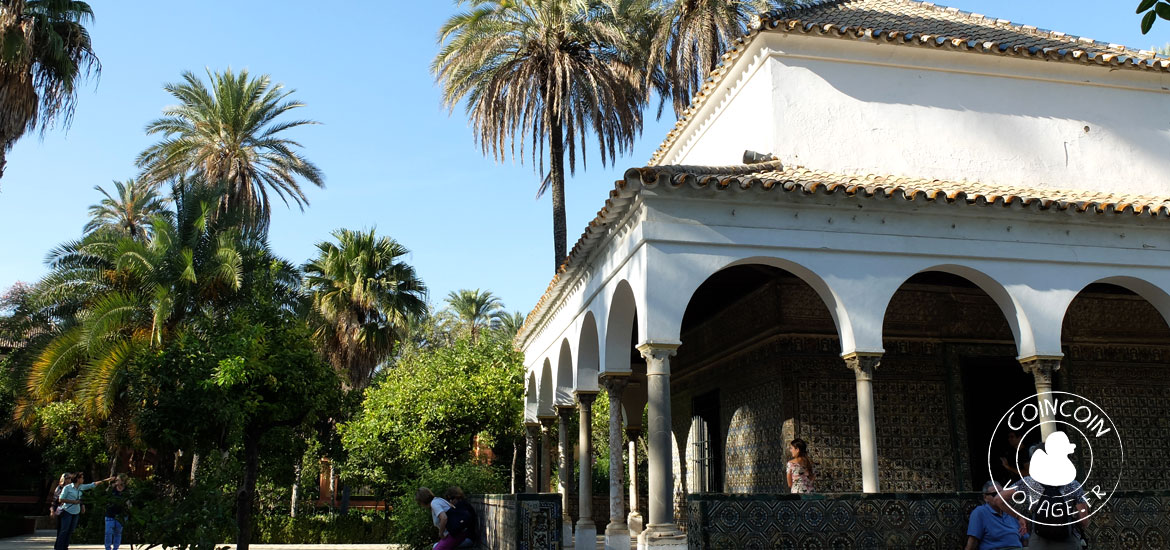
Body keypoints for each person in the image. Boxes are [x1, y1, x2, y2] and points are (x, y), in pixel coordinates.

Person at [1004, 473, 1089, 550]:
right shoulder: (1073, 484)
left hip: (1038, 540)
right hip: (1067, 539)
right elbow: (1084, 521)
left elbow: (998, 499)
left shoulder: (1029, 481)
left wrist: (1019, 517)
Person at [56, 472, 114, 550]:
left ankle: (65, 547)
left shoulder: (81, 487)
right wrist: (73, 501)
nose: (83, 479)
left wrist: (107, 480)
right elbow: (61, 499)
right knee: (64, 530)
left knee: (70, 531)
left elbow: (93, 484)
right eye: (82, 478)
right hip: (67, 511)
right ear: (77, 479)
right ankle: (59, 547)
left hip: (76, 512)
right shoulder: (67, 488)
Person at [965, 481, 1025, 550]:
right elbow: (972, 541)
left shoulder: (1011, 512)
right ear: (985, 497)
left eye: (1001, 493)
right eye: (995, 494)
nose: (999, 497)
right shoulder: (980, 512)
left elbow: (1025, 539)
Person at [104, 474, 131, 550]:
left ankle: (116, 548)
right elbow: (105, 495)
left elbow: (129, 502)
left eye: (118, 480)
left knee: (118, 533)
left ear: (123, 481)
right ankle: (108, 548)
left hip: (121, 515)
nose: (116, 481)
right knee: (108, 532)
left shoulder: (127, 490)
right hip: (110, 513)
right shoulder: (112, 488)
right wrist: (110, 486)